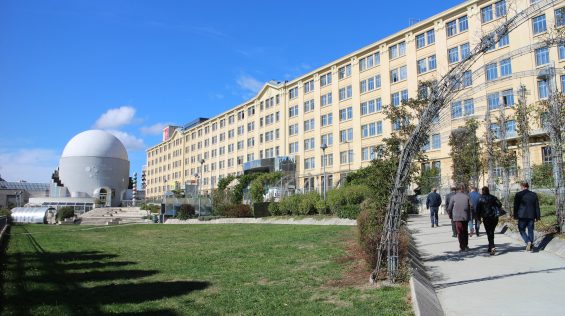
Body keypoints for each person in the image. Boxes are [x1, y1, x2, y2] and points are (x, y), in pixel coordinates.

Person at [513, 182, 540, 252]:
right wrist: (538, 216)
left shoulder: (518, 194)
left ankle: (528, 241)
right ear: (528, 186)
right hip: (531, 215)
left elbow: (515, 206)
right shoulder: (534, 194)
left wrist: (515, 215)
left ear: (522, 186)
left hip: (521, 215)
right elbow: (537, 206)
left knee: (521, 229)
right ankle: (530, 245)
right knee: (530, 230)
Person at [477, 186, 502, 255]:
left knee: (489, 232)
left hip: (486, 217)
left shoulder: (480, 199)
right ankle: (490, 246)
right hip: (494, 217)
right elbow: (499, 204)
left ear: (482, 191)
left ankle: (492, 246)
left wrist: (478, 217)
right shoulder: (493, 197)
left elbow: (478, 209)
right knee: (491, 231)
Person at [447, 184, 471, 252]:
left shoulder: (453, 197)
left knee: (459, 232)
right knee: (465, 231)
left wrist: (450, 215)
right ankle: (466, 245)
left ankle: (462, 246)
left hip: (457, 217)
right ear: (463, 189)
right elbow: (471, 206)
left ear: (457, 190)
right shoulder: (467, 197)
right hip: (465, 217)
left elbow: (449, 208)